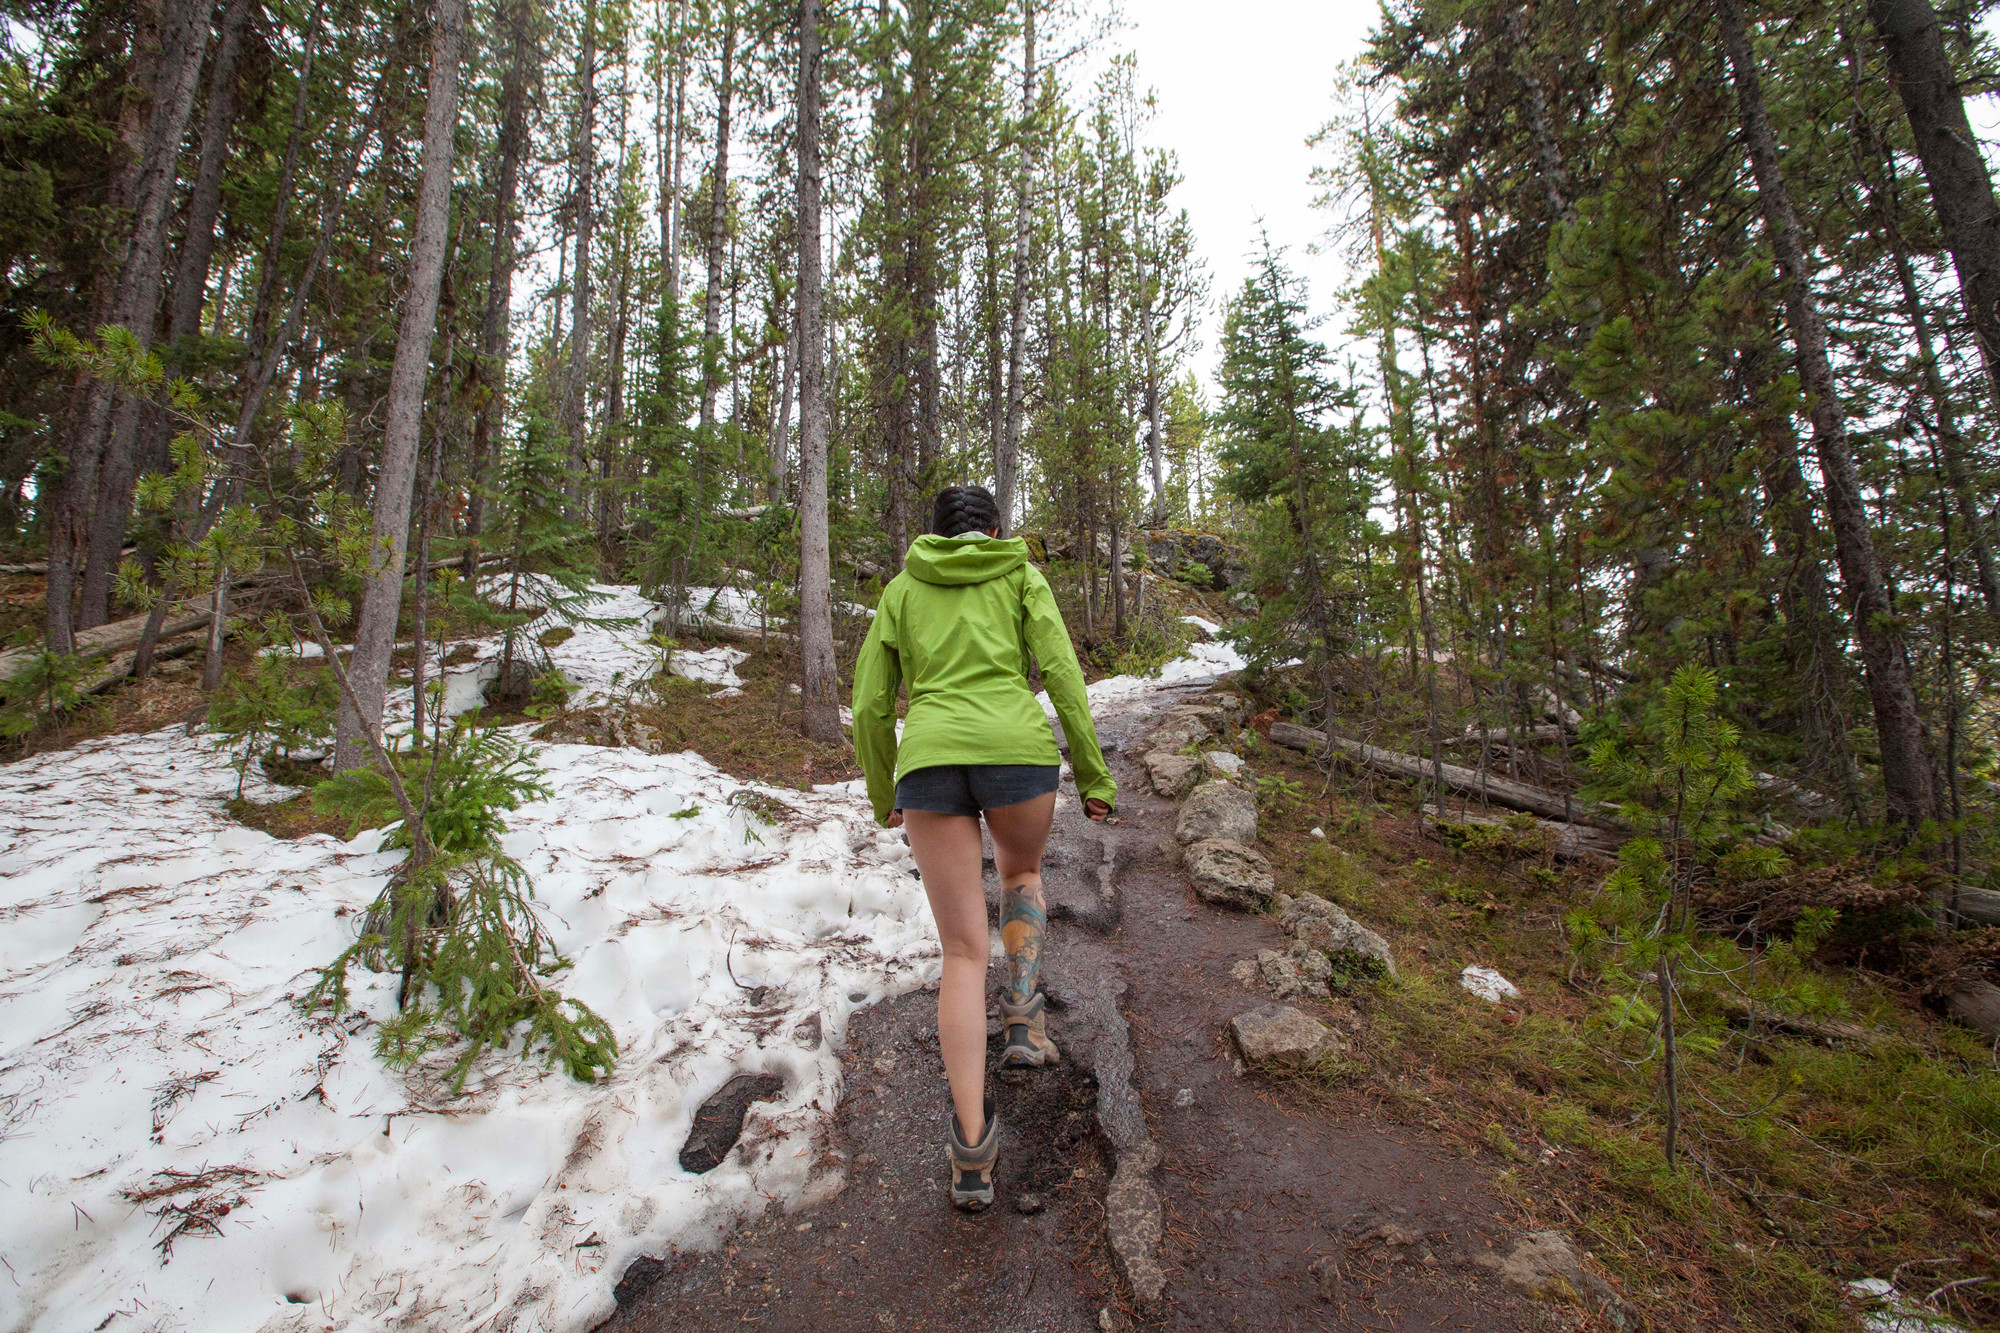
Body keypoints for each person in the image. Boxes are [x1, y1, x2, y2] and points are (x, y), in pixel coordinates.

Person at [851, 484, 1116, 1212]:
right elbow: (1061, 674)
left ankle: (971, 1148)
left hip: (931, 760)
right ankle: (1024, 1018)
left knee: (963, 951)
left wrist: (884, 791)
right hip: (1016, 752)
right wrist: (1093, 773)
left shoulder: (905, 589)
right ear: (996, 530)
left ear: (933, 536)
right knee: (1023, 868)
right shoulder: (1020, 574)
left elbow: (872, 701)